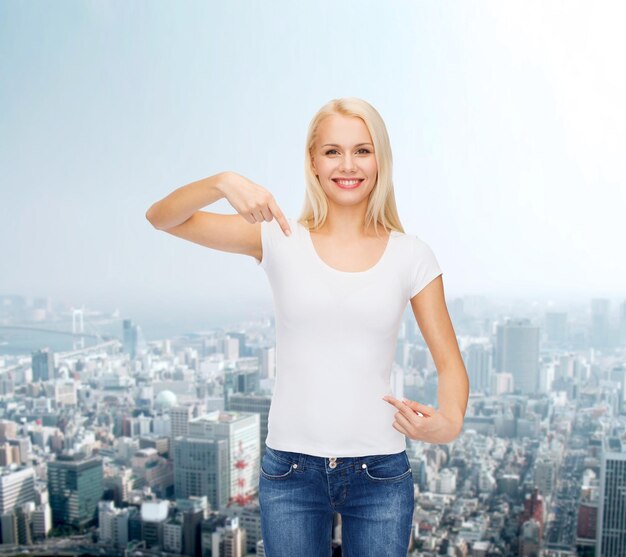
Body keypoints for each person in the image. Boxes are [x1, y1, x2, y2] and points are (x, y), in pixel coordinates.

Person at [146, 97, 469, 557]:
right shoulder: (279, 237)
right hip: (290, 473)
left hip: (380, 472)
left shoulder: (412, 255)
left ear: (381, 160)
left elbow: (450, 365)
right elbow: (161, 218)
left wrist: (450, 422)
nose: (348, 164)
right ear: (313, 162)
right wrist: (222, 182)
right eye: (332, 151)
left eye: (362, 149)